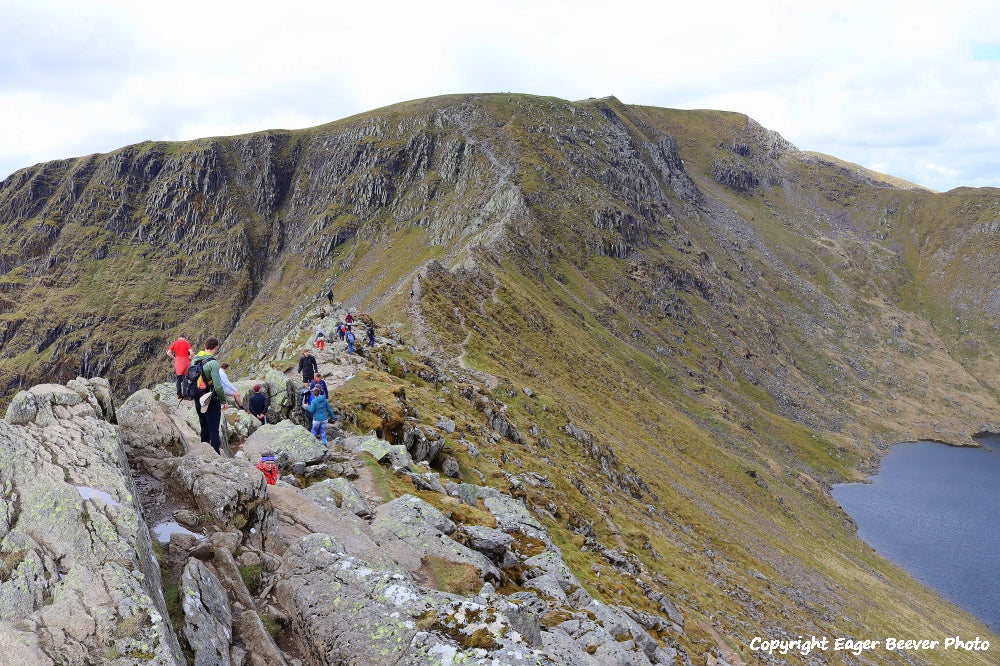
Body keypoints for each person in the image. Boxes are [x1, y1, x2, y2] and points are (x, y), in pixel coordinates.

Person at [193, 337, 225, 454]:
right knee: (214, 429)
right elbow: (218, 386)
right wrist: (223, 401)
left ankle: (203, 453)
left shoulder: (195, 359)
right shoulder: (213, 363)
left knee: (204, 426)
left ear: (204, 346)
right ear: (216, 347)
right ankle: (215, 454)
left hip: (198, 398)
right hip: (210, 399)